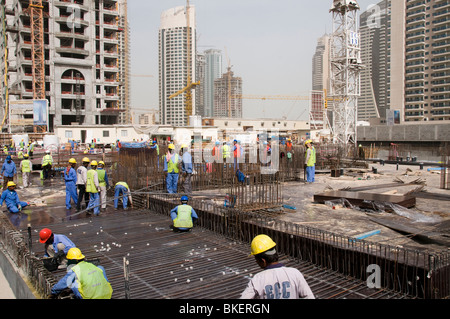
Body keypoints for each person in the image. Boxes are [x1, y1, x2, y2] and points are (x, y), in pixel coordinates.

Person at [240, 234, 315, 299]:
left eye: (256, 260)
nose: (256, 262)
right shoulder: (294, 273)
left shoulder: (257, 279)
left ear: (263, 261)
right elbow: (309, 297)